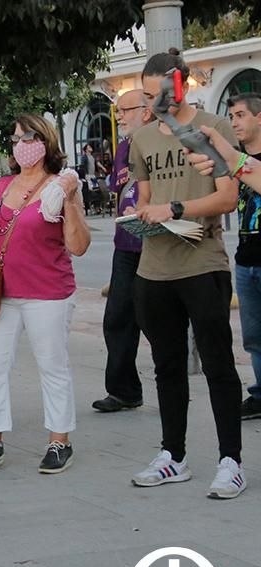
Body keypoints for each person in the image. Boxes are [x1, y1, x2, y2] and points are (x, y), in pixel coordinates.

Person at [128, 50, 243, 498]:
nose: (158, 100)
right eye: (151, 93)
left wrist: (176, 209)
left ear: (183, 85)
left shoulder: (213, 128)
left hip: (203, 262)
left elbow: (228, 197)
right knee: (166, 365)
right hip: (154, 267)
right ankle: (172, 456)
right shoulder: (142, 139)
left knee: (217, 365)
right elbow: (144, 198)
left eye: (165, 91)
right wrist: (141, 215)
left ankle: (231, 460)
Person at [0, 114, 90, 474]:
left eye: (28, 137)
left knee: (52, 365)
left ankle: (59, 440)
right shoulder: (0, 186)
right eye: (16, 138)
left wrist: (68, 202)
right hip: (2, 293)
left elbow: (79, 245)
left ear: (45, 141)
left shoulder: (62, 185)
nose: (21, 144)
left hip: (48, 292)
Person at [93, 89, 153, 413]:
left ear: (146, 111)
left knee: (158, 320)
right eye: (117, 112)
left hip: (155, 244)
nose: (120, 117)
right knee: (117, 317)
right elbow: (120, 191)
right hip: (125, 245)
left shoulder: (159, 144)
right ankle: (123, 390)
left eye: (125, 110)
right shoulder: (123, 148)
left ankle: (173, 385)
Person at [223, 95, 261, 420]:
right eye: (231, 115)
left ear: (259, 118)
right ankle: (260, 394)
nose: (234, 122)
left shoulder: (243, 163)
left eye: (241, 114)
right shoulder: (236, 162)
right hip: (246, 258)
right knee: (253, 336)